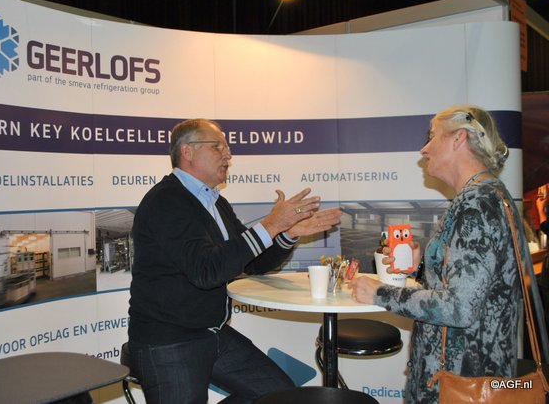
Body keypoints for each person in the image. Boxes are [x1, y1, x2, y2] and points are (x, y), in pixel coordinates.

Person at [128, 118, 342, 404]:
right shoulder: (167, 200)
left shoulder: (215, 202)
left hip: (211, 333)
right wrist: (270, 225)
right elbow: (206, 272)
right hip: (169, 340)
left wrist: (287, 233)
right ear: (187, 151)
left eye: (227, 148)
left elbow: (254, 262)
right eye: (217, 147)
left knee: (278, 395)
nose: (228, 155)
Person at [351, 105, 525, 404]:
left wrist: (380, 294)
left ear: (459, 139)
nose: (424, 148)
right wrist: (422, 268)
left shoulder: (476, 205)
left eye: (432, 136)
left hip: (462, 385)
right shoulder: (488, 196)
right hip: (473, 378)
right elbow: (475, 287)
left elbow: (459, 308)